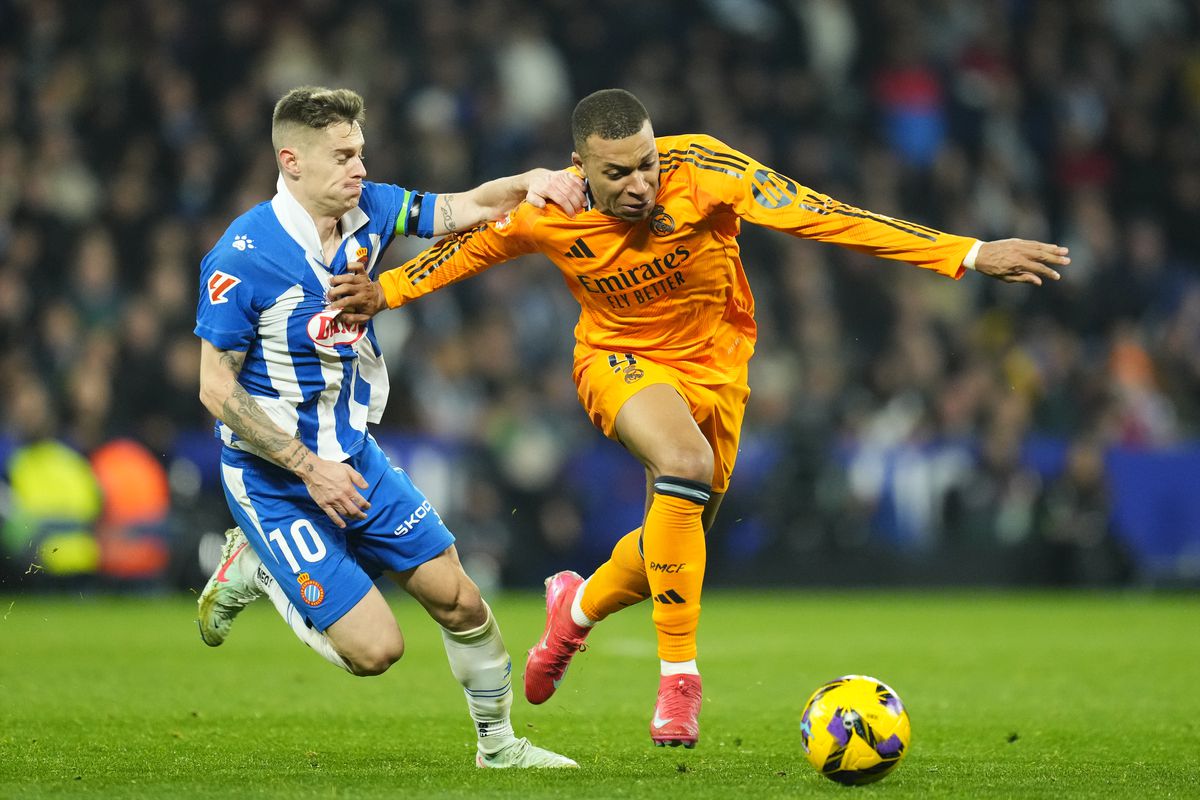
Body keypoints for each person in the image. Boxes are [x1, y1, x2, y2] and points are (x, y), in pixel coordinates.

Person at [328, 88, 1070, 749]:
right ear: (581, 164)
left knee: (671, 547)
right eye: (617, 172)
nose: (640, 183)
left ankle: (576, 607)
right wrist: (385, 292)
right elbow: (467, 250)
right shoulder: (550, 206)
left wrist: (969, 253)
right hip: (617, 362)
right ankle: (679, 681)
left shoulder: (709, 171)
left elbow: (827, 218)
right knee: (684, 466)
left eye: (646, 163)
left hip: (718, 367)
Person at [193, 86, 585, 769]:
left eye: (361, 153)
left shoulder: (370, 211)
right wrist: (307, 468)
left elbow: (464, 208)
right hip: (273, 475)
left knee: (461, 602)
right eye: (343, 156)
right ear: (292, 162)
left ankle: (498, 748)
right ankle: (256, 568)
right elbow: (213, 385)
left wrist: (532, 182)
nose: (360, 169)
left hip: (355, 453)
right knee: (377, 652)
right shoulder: (242, 256)